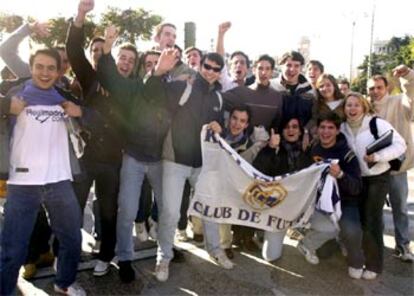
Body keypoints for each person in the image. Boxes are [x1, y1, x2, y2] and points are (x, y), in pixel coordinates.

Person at [0, 47, 85, 296]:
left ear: (59, 72)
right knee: (13, 250)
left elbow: (99, 117)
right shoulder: (17, 93)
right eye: (39, 67)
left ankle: (64, 283)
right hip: (22, 183)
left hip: (59, 181)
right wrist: (6, 105)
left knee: (71, 239)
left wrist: (82, 112)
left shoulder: (65, 96)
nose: (45, 73)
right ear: (31, 68)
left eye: (51, 68)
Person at [96, 25, 172, 283]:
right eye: (149, 63)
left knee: (167, 210)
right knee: (126, 210)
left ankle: (166, 255)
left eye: (157, 63)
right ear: (144, 68)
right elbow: (109, 75)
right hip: (133, 158)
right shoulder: (132, 89)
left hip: (160, 161)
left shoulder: (169, 90)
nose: (153, 66)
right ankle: (125, 258)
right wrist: (107, 46)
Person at [65, 0, 133, 277]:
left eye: (130, 61)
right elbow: (72, 50)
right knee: (73, 209)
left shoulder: (127, 87)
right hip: (86, 156)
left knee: (108, 212)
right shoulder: (90, 78)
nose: (97, 54)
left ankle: (107, 256)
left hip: (112, 162)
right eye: (95, 51)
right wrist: (81, 15)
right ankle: (66, 254)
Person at [340, 92, 406, 279]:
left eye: (356, 105)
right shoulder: (343, 127)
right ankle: (358, 260)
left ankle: (374, 265)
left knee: (372, 221)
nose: (352, 109)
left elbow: (400, 145)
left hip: (377, 177)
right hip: (356, 179)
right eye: (348, 105)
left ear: (364, 107)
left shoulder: (376, 124)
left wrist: (377, 157)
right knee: (358, 221)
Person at [297, 112, 365, 279]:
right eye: (322, 127)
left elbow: (357, 187)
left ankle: (355, 259)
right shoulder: (313, 148)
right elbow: (300, 175)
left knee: (350, 229)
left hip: (345, 202)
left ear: (337, 130)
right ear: (317, 129)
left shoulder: (347, 154)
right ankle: (310, 240)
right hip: (318, 203)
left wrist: (341, 175)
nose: (325, 132)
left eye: (330, 128)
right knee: (326, 247)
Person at [209, 104, 269, 258]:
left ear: (247, 124)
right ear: (229, 119)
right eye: (234, 119)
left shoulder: (249, 145)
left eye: (242, 121)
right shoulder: (216, 136)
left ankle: (226, 243)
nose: (237, 124)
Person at [368, 65, 414, 262]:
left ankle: (403, 246)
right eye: (372, 88)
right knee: (372, 210)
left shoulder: (398, 102)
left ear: (387, 88)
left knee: (400, 209)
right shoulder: (365, 107)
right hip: (374, 169)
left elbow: (411, 96)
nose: (375, 91)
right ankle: (371, 246)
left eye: (379, 87)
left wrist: (408, 76)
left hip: (396, 169)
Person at [253, 117, 313, 262]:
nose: (291, 130)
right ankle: (261, 231)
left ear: (300, 131)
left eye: (294, 127)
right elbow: (257, 171)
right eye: (287, 127)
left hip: (300, 208)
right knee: (270, 256)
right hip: (277, 210)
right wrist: (270, 149)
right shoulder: (275, 149)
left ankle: (310, 241)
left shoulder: (308, 150)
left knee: (328, 226)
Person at [216, 22, 254, 91]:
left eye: (242, 63)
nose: (238, 65)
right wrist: (221, 34)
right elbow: (219, 59)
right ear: (230, 68)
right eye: (235, 63)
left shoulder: (253, 87)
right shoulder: (225, 84)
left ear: (247, 69)